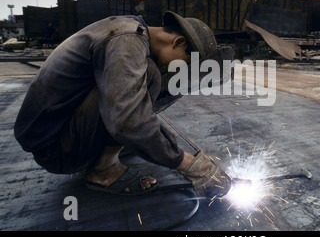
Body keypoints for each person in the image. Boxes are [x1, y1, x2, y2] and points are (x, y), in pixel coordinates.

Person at [14, 11, 233, 198]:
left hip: (59, 133)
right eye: (181, 65)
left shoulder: (130, 29)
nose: (175, 71)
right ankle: (103, 171)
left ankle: (106, 156)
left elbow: (138, 112)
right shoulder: (127, 41)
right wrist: (188, 165)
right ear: (178, 42)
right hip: (55, 150)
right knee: (150, 76)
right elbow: (128, 119)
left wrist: (163, 146)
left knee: (144, 92)